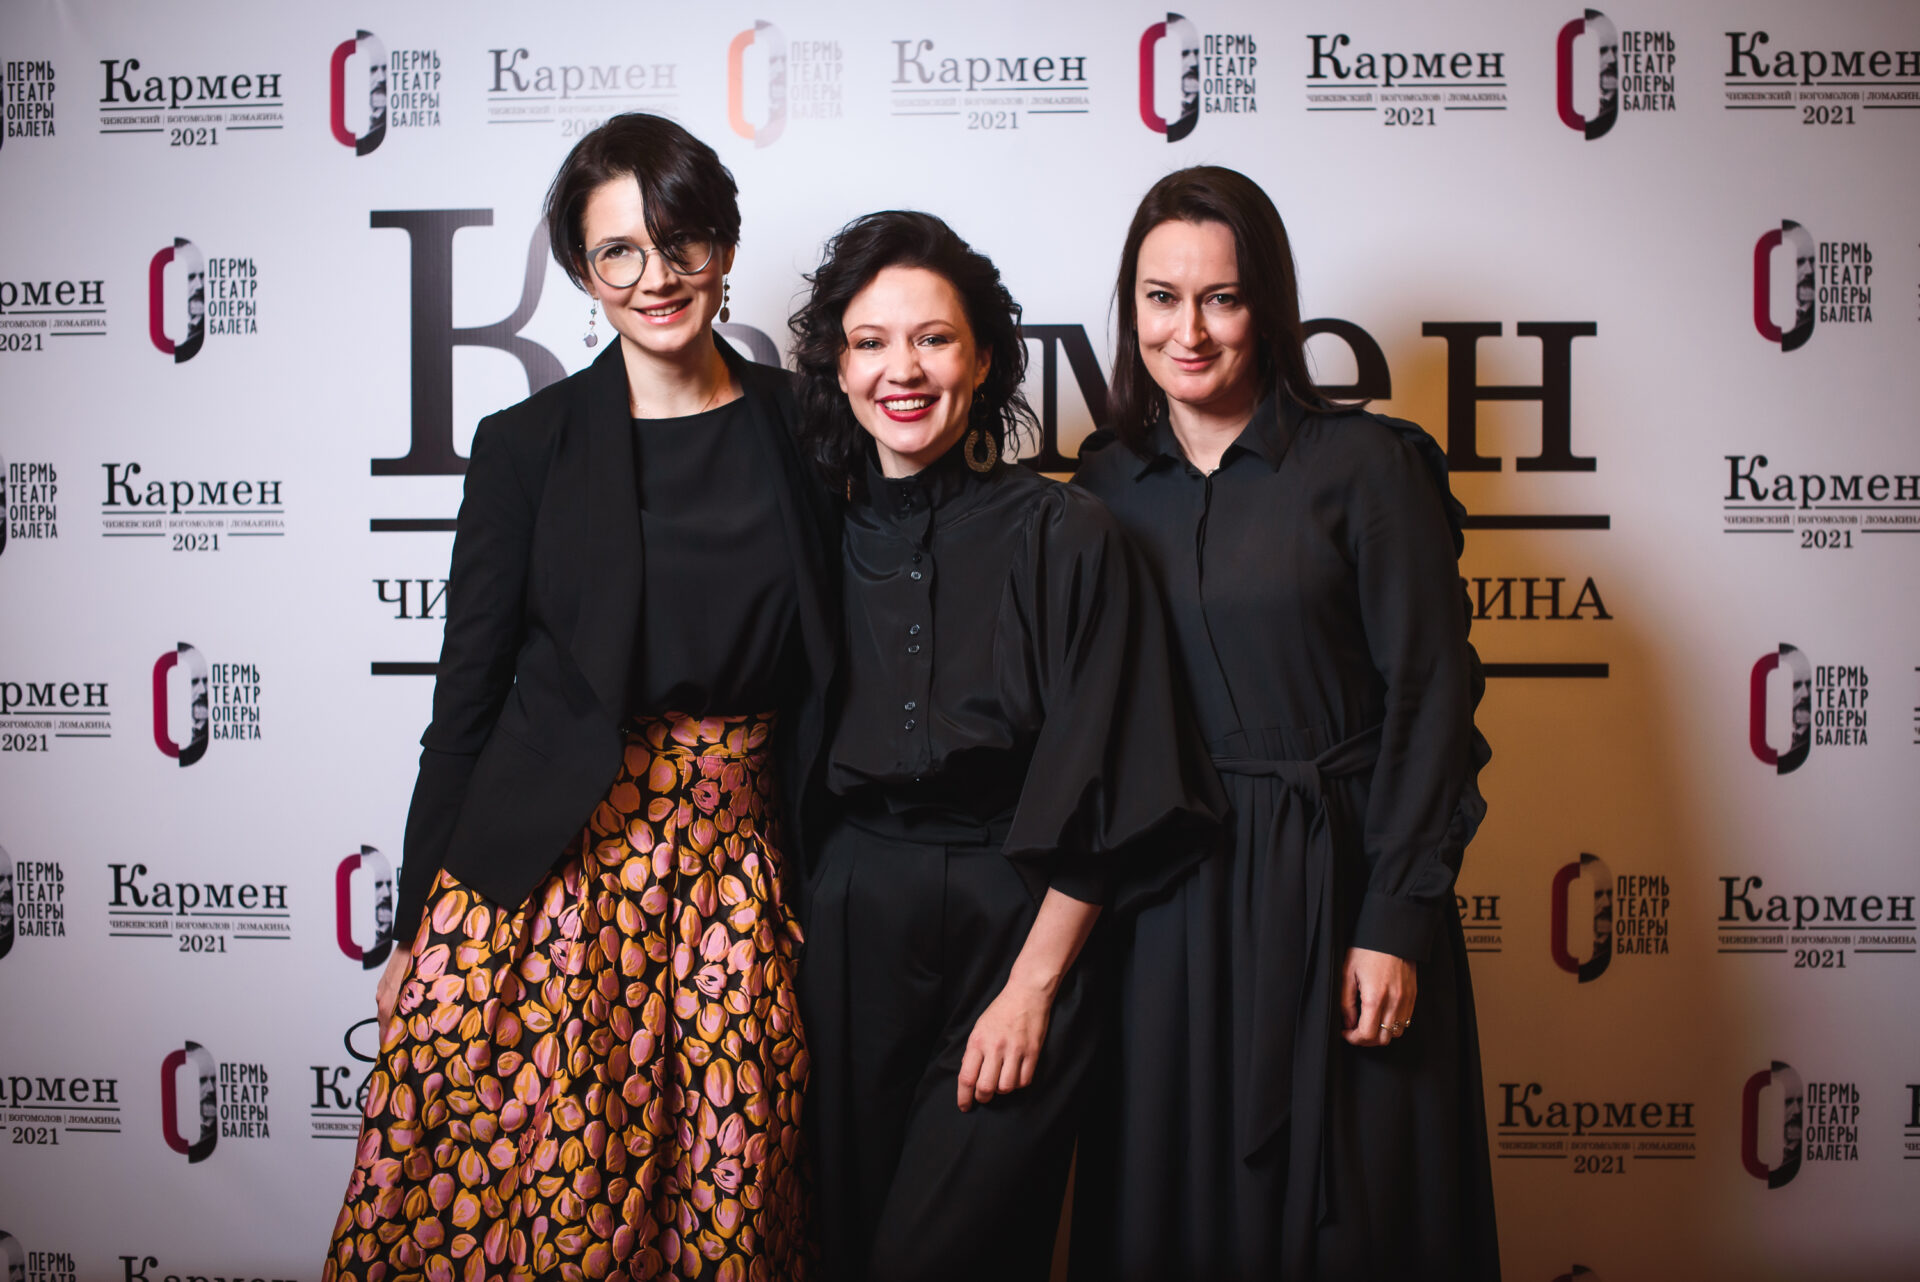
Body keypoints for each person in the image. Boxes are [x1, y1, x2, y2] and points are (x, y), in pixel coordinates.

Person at [322, 113, 840, 1282]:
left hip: (733, 888)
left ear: (725, 246)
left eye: (682, 243)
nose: (657, 278)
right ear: (581, 268)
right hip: (555, 883)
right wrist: (416, 923)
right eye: (620, 252)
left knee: (720, 1210)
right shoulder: (526, 445)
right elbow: (465, 703)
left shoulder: (809, 425)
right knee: (544, 1214)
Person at [1070, 166, 1498, 1280]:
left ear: (1269, 307)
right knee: (1177, 1213)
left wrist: (1395, 915)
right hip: (1169, 904)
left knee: (1354, 1217)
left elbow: (1430, 700)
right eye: (1161, 298)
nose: (1189, 331)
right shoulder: (1104, 482)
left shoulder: (1368, 467)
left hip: (1338, 877)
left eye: (1221, 298)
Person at [787, 211, 1221, 1282]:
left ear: (982, 359)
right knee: (847, 1253)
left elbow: (1115, 778)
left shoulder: (1068, 537)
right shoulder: (805, 540)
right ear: (837, 366)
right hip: (847, 929)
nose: (902, 369)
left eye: (933, 339)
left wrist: (1032, 989)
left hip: (1021, 922)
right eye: (871, 341)